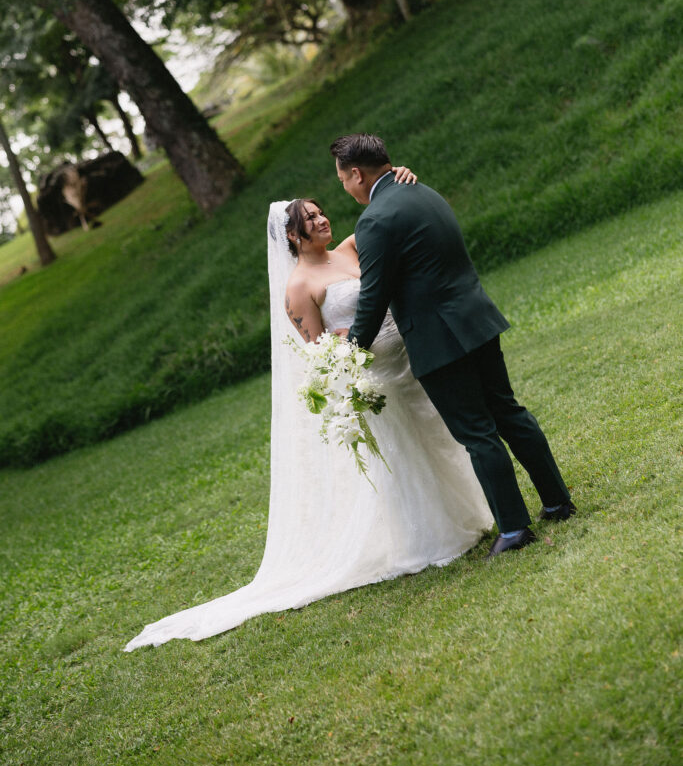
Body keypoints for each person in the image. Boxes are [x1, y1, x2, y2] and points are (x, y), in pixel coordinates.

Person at [124, 168, 491, 650]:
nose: (322, 220)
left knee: (441, 438)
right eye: (310, 218)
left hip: (412, 358)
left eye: (321, 212)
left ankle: (470, 513)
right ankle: (432, 538)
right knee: (406, 454)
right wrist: (342, 348)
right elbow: (318, 350)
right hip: (377, 378)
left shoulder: (350, 250)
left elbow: (387, 212)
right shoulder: (298, 287)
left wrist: (398, 176)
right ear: (292, 237)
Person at [330, 133, 575, 559]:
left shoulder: (374, 220)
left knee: (478, 433)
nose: (346, 190)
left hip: (438, 339)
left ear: (356, 174)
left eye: (343, 181)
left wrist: (351, 349)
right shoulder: (422, 191)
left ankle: (515, 530)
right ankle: (557, 502)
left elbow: (373, 297)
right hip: (476, 319)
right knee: (509, 412)